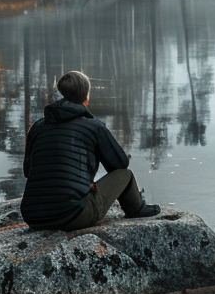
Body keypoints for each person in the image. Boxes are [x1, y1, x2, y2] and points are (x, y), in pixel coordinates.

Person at [21, 70, 160, 230]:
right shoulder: (94, 126)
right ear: (86, 97)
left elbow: (28, 171)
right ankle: (137, 209)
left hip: (32, 217)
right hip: (72, 216)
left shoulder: (38, 126)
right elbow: (120, 164)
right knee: (125, 176)